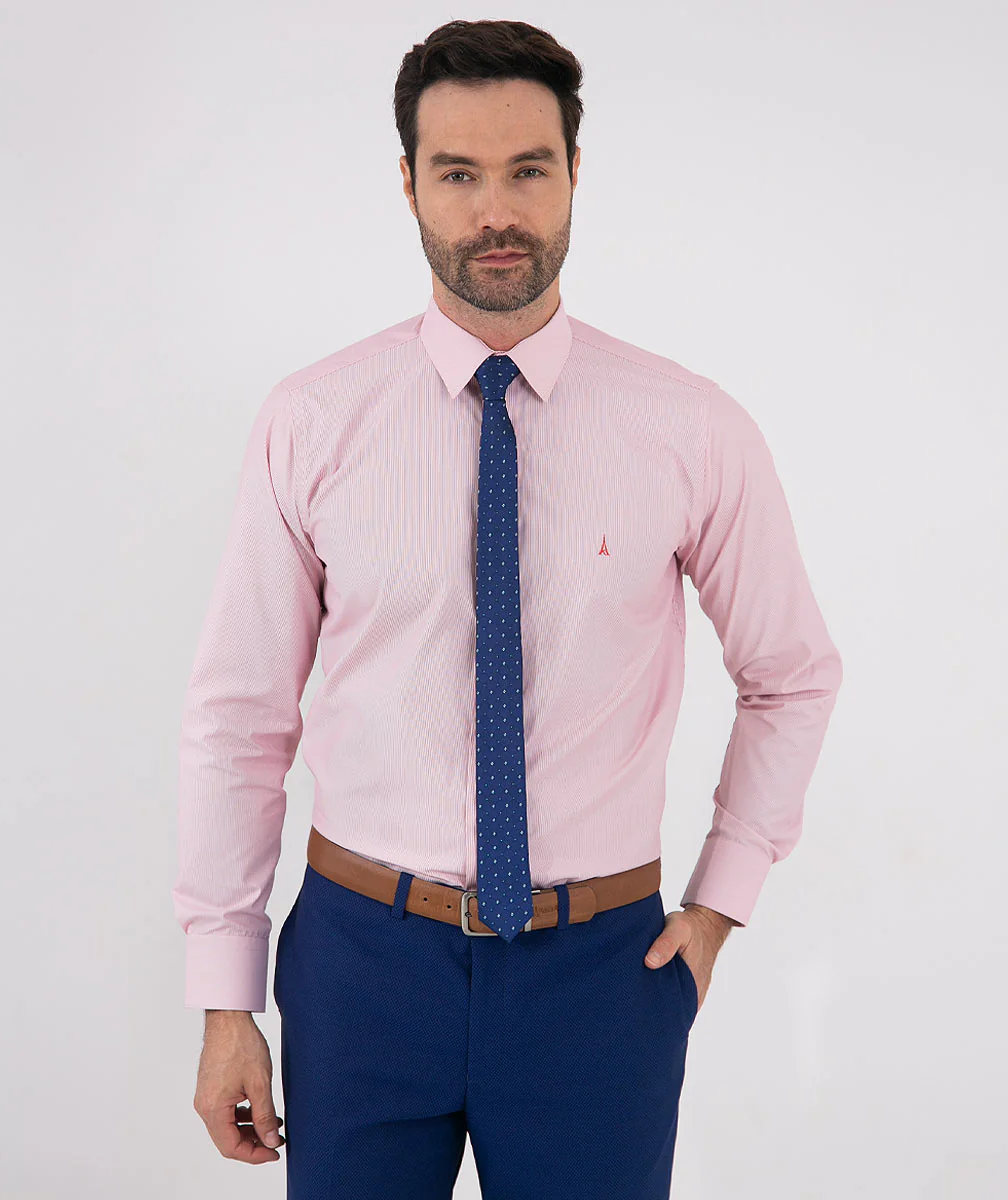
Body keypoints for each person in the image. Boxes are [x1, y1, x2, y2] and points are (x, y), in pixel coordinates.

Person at [172, 17, 843, 1198]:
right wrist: (228, 996)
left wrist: (717, 907)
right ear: (409, 184)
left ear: (575, 172)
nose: (496, 213)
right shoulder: (314, 422)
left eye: (528, 170)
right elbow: (241, 716)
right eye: (458, 174)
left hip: (604, 972)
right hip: (361, 963)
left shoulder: (690, 429)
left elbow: (791, 674)